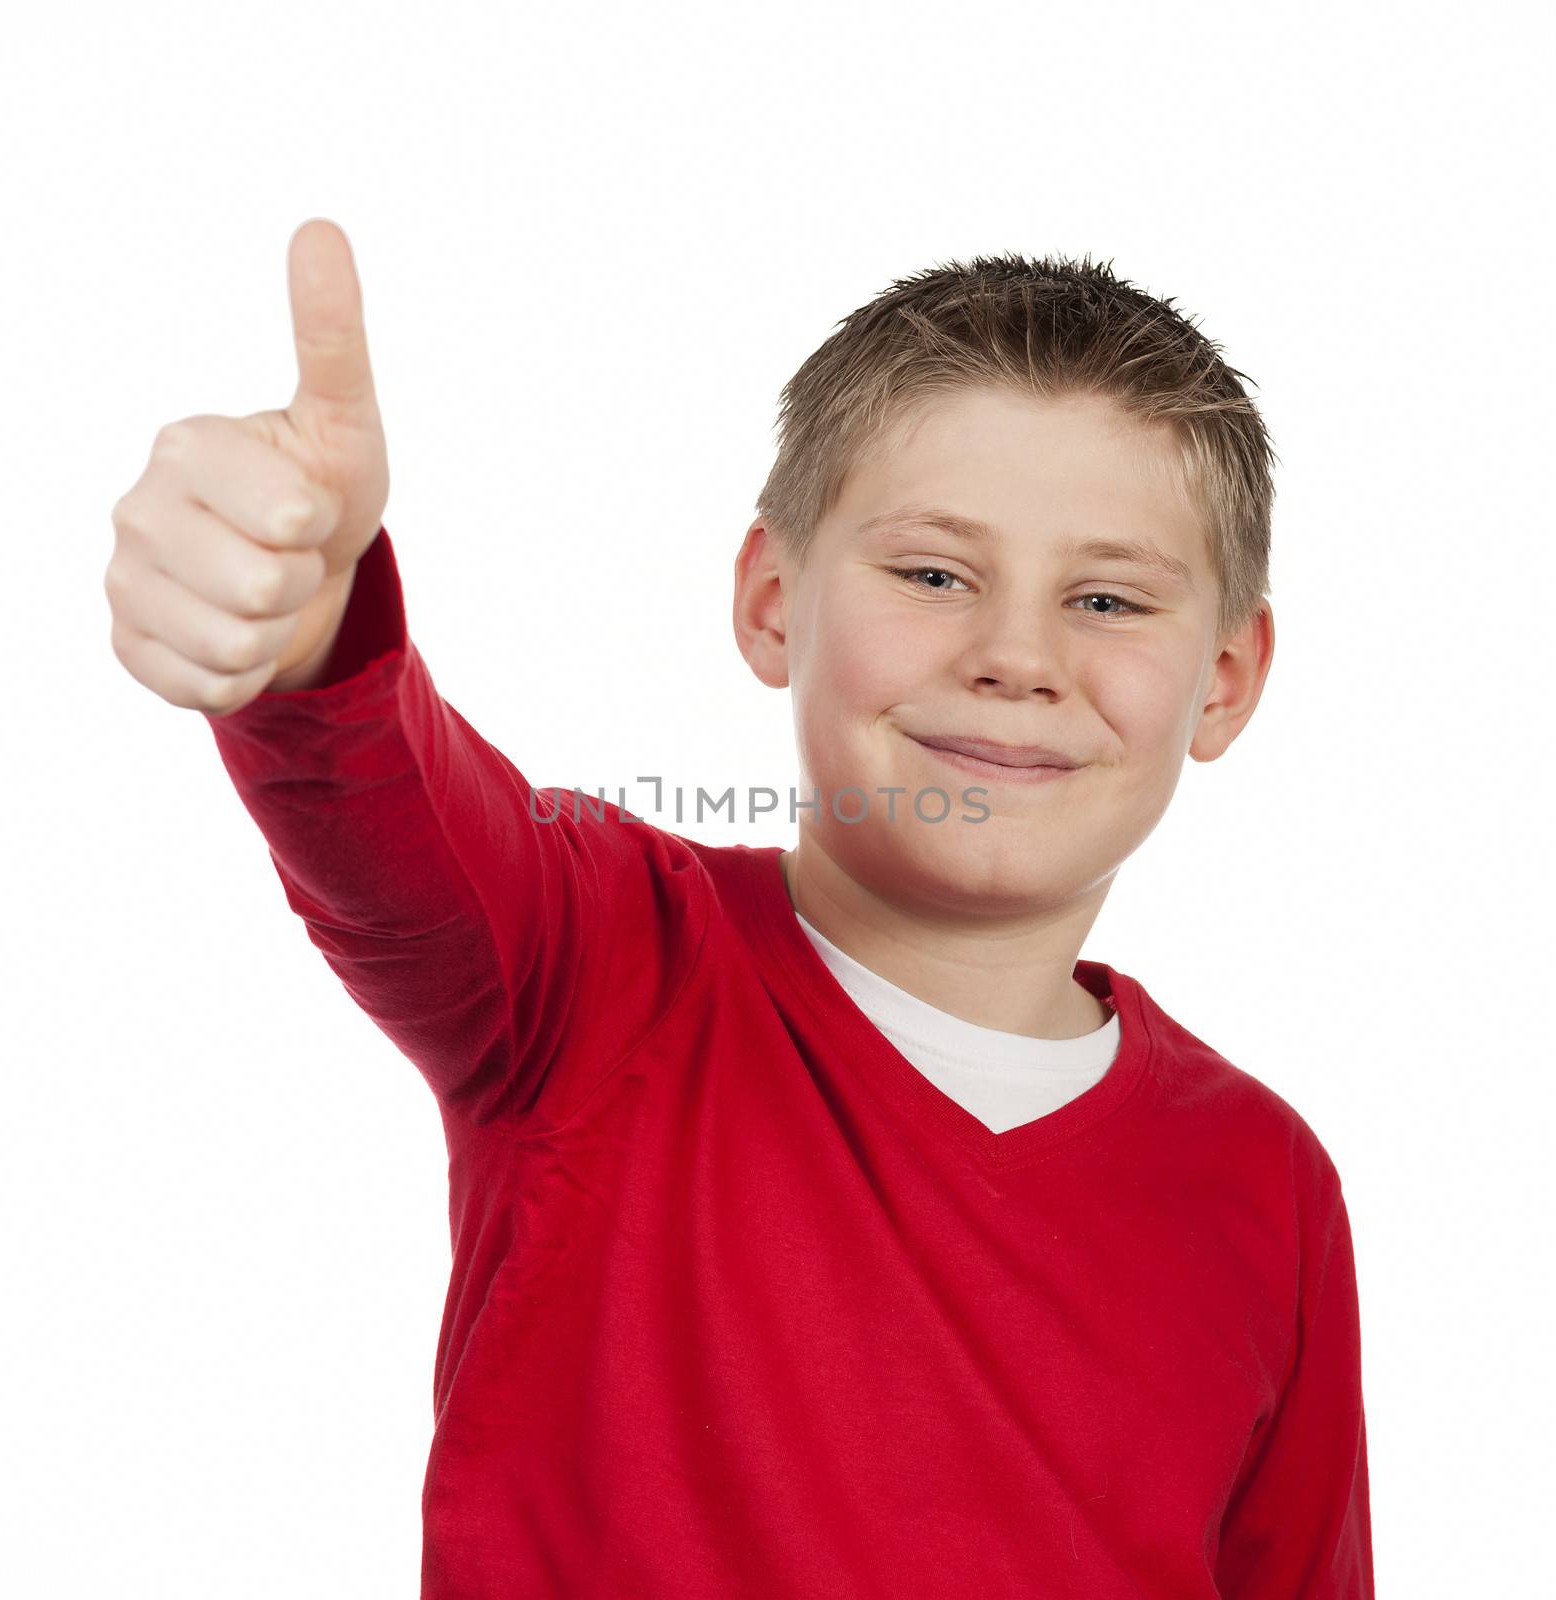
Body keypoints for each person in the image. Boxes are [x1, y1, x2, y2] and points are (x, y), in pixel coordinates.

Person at [105, 217, 1374, 1597]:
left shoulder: (1268, 1186)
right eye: (934, 574)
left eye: (1110, 598)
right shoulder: (596, 967)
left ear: (1230, 678)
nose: (1017, 655)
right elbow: (393, 817)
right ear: (773, 602)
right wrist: (314, 640)